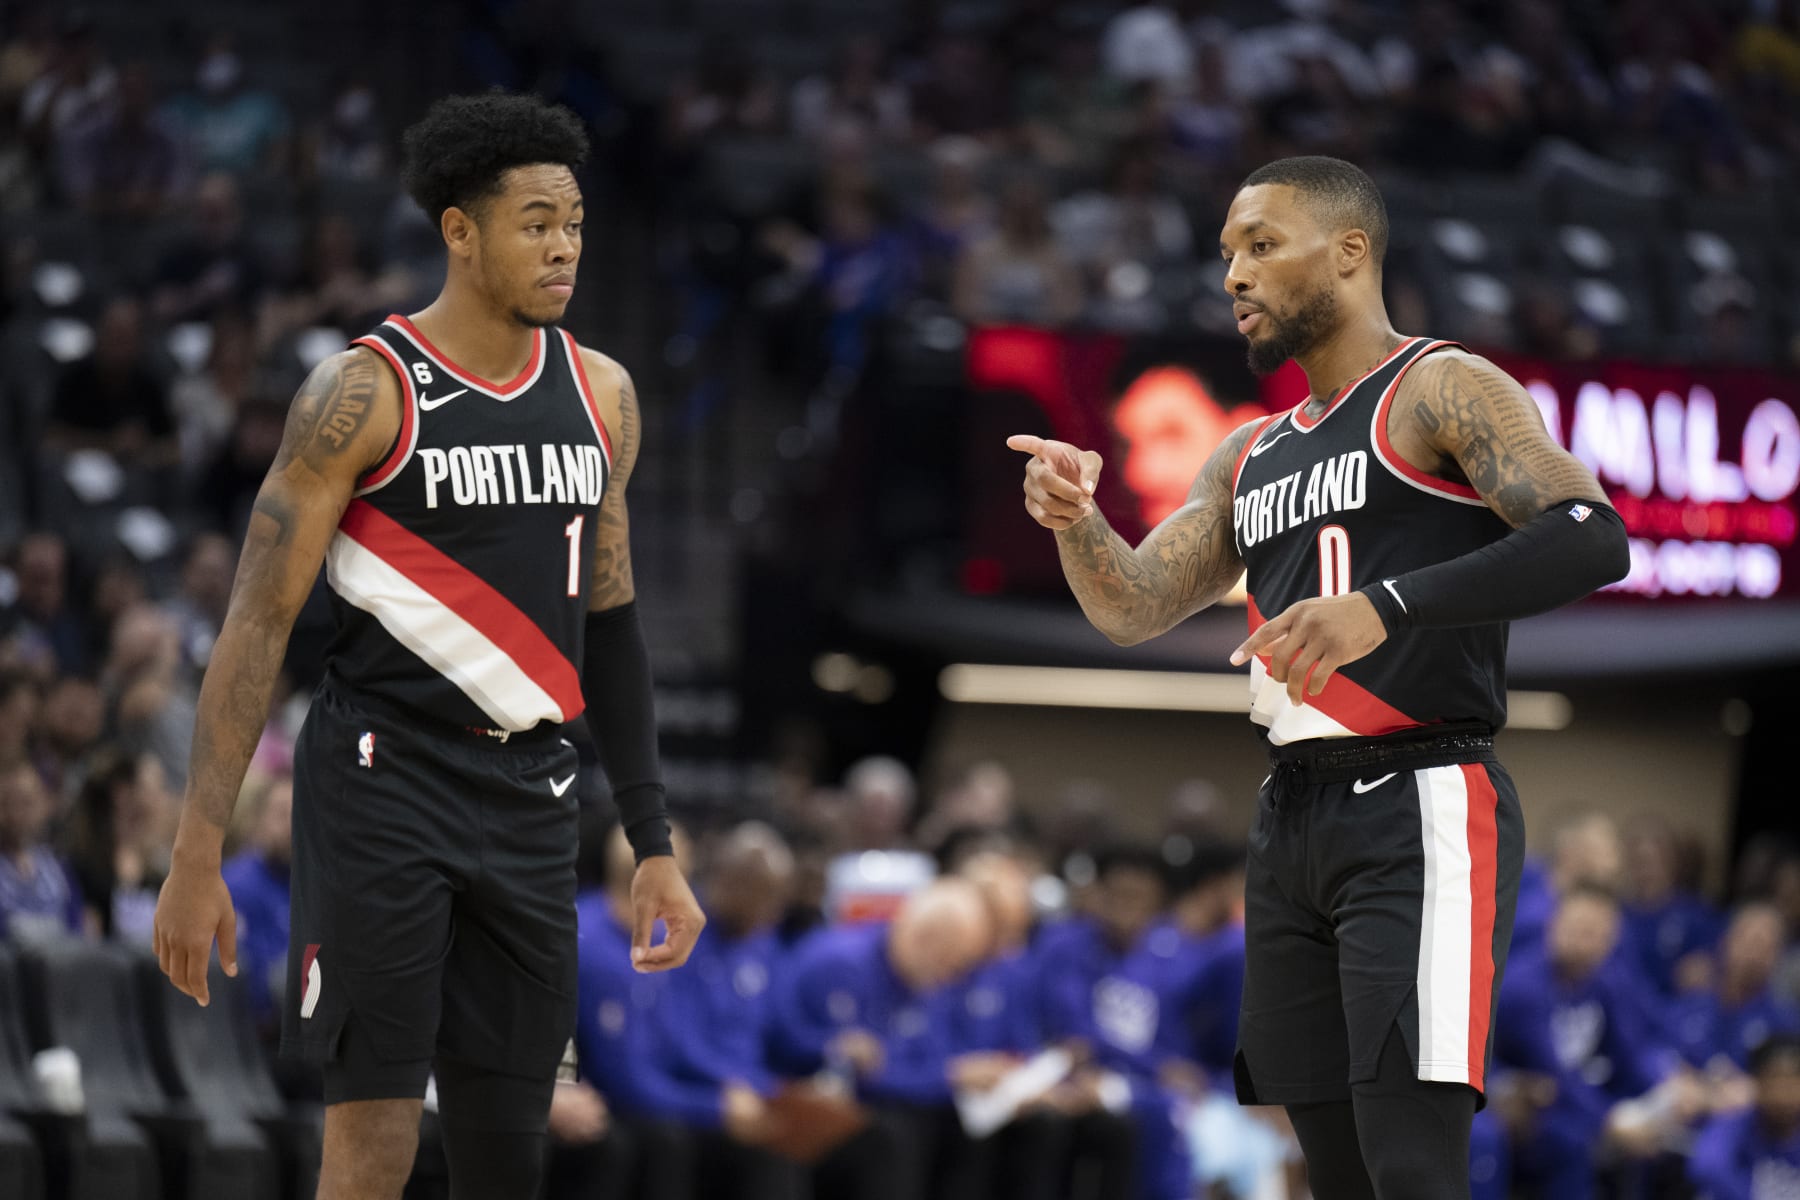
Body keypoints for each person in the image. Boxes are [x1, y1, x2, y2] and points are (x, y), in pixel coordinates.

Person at [1009, 155, 1630, 1199]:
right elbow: (1131, 606)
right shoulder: (1245, 455)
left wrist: (1385, 606)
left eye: (1260, 246)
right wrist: (1079, 524)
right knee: (1332, 1174)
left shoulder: (1441, 384)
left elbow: (1591, 535)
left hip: (1420, 795)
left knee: (1411, 1169)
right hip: (1290, 815)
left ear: (1349, 255)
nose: (1234, 277)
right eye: (1225, 257)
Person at [150, 92, 705, 1200]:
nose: (565, 247)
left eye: (577, 223)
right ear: (461, 230)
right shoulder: (363, 393)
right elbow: (256, 624)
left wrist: (653, 840)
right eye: (537, 221)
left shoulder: (604, 395)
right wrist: (195, 846)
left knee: (512, 1149)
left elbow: (614, 623)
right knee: (374, 1137)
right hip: (381, 776)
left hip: (534, 790)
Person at [1687, 1033, 1800, 1200]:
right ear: (1757, 1083)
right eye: (1774, 1081)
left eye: (1792, 1083)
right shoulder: (1736, 1123)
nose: (1782, 1094)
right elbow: (1707, 1166)